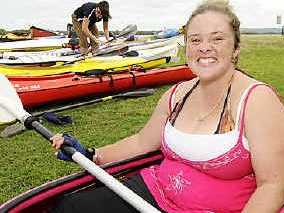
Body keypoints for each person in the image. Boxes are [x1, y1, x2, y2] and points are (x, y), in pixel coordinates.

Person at [51, 0, 284, 212]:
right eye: (195, 39)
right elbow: (142, 142)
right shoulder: (177, 94)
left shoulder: (257, 100)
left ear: (236, 48)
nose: (204, 47)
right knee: (69, 207)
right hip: (153, 193)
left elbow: (273, 185)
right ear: (187, 47)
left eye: (217, 38)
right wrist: (93, 154)